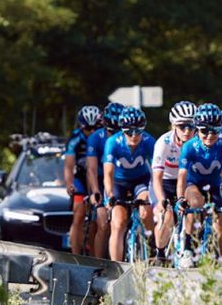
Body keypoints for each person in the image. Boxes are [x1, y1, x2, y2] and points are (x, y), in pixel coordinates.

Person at [175, 103, 222, 267]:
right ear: (197, 129)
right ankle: (187, 248)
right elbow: (182, 175)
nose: (210, 135)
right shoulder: (189, 146)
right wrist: (181, 198)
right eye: (204, 131)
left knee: (221, 223)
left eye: (215, 131)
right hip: (193, 184)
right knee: (196, 204)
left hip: (214, 185)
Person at [103, 106, 156, 262]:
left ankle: (152, 246)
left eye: (138, 131)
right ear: (122, 130)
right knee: (118, 224)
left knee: (146, 211)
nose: (134, 136)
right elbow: (108, 173)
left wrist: (154, 195)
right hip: (118, 183)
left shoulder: (148, 141)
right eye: (129, 132)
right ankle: (117, 267)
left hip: (141, 181)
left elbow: (156, 170)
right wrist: (110, 195)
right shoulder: (113, 142)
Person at [151, 101, 197, 265]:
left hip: (186, 181)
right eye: (182, 126)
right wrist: (161, 200)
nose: (187, 131)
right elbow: (156, 178)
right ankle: (160, 253)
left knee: (193, 208)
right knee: (167, 215)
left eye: (191, 126)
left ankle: (189, 247)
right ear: (174, 126)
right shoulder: (163, 143)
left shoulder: (198, 141)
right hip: (164, 182)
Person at [86, 102, 124, 259]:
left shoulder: (128, 138)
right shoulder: (95, 138)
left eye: (118, 131)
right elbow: (92, 169)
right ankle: (98, 262)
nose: (114, 135)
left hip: (120, 180)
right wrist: (95, 191)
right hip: (101, 180)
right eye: (111, 131)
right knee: (102, 223)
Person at [64, 105, 102, 255]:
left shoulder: (102, 137)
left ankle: (95, 253)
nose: (92, 131)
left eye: (95, 127)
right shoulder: (75, 138)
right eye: (88, 128)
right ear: (81, 126)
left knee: (97, 219)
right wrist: (69, 184)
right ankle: (75, 254)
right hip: (80, 177)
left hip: (99, 178)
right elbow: (68, 166)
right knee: (78, 214)